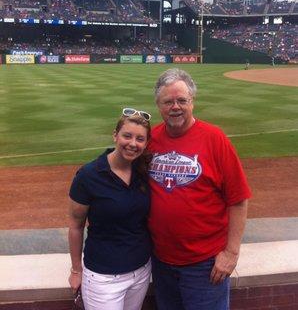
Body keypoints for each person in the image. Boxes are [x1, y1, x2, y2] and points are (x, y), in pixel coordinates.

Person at [148, 68, 251, 310]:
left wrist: (231, 253)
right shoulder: (151, 140)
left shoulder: (215, 139)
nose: (175, 107)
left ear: (192, 102)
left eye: (182, 100)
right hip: (161, 262)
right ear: (158, 105)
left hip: (205, 265)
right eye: (168, 101)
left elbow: (238, 199)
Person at [68, 108, 152, 310]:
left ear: (146, 143)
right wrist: (76, 270)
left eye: (140, 139)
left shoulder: (143, 171)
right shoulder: (89, 175)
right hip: (103, 277)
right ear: (115, 135)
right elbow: (75, 226)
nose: (133, 143)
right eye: (127, 136)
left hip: (141, 271)